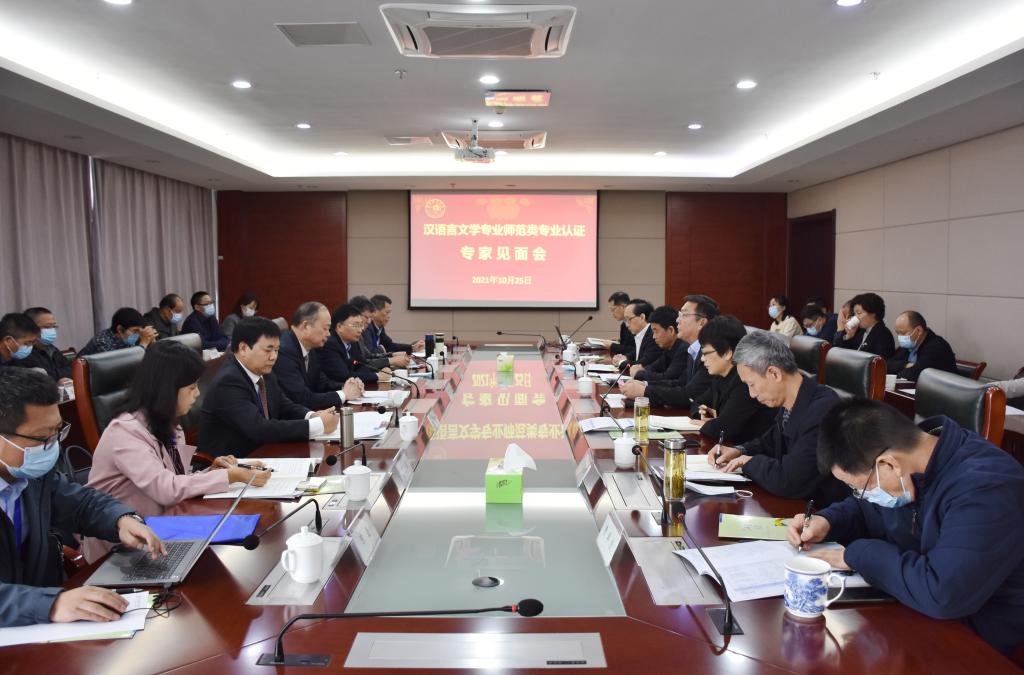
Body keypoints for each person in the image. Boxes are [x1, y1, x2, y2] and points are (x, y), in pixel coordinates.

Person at [789, 399, 1024, 658]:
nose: (861, 495)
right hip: (915, 612)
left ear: (889, 464)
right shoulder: (914, 463)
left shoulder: (987, 488)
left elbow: (942, 594)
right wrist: (828, 520)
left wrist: (856, 555)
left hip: (977, 642)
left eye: (859, 488)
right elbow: (869, 509)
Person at [0, 368, 165, 627]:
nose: (53, 446)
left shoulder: (31, 475)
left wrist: (122, 520)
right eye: (42, 438)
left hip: (40, 625)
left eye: (57, 431)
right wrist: (49, 604)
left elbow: (80, 504)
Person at [84, 340, 270, 561]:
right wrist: (229, 476)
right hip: (120, 549)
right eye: (191, 388)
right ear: (167, 390)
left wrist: (211, 472)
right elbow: (166, 489)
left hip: (162, 530)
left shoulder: (170, 425)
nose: (197, 394)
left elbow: (176, 479)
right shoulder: (124, 432)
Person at [708, 330, 848, 506]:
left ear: (774, 373)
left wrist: (748, 462)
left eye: (751, 384)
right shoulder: (793, 401)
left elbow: (790, 480)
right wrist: (739, 451)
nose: (751, 394)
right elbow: (769, 442)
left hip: (819, 511)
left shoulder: (823, 410)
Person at [197, 318, 340, 457]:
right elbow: (259, 428)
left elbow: (283, 405)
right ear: (243, 348)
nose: (273, 357)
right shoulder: (228, 382)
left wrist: (312, 416)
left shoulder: (264, 371)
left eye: (277, 350)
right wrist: (317, 425)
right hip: (232, 462)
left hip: (263, 452)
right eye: (268, 350)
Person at [689, 316, 775, 444]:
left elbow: (723, 429)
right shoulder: (720, 376)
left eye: (706, 353)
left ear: (727, 353)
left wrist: (709, 425)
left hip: (750, 450)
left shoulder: (745, 382)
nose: (702, 359)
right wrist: (701, 413)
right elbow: (698, 401)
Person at [623, 294, 717, 408]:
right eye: (679, 315)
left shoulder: (712, 354)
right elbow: (681, 383)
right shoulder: (693, 349)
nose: (677, 320)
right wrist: (645, 384)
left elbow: (689, 395)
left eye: (684, 315)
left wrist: (645, 391)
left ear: (701, 323)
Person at [272, 301, 364, 409]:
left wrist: (348, 386)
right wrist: (344, 394)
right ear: (306, 326)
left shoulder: (309, 347)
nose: (328, 334)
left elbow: (321, 383)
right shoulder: (284, 352)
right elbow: (301, 398)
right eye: (325, 328)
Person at [886, 311, 957, 382]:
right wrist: (905, 364)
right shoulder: (908, 345)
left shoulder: (936, 347)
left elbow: (914, 376)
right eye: (898, 333)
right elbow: (888, 365)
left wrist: (896, 371)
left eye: (903, 333)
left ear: (919, 330)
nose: (900, 337)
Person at [321, 304, 383, 384]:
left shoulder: (352, 342)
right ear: (339, 327)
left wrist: (359, 374)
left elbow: (363, 365)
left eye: (361, 325)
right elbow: (343, 376)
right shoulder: (329, 344)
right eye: (356, 325)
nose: (360, 330)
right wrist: (377, 376)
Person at [630, 305, 687, 383]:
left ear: (671, 330)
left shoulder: (683, 349)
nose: (653, 337)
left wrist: (639, 373)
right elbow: (654, 367)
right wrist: (642, 369)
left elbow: (667, 377)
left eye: (656, 331)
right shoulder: (668, 347)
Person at [349, 295, 405, 370]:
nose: (369, 322)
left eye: (370, 318)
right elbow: (360, 365)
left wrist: (392, 355)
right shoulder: (348, 338)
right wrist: (390, 361)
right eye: (366, 317)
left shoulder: (359, 336)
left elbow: (368, 356)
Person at [835, 292, 895, 359]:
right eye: (854, 314)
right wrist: (848, 336)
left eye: (859, 313)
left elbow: (880, 362)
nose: (855, 317)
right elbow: (841, 353)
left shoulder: (883, 334)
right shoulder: (860, 331)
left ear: (873, 313)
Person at [78, 307, 156, 357]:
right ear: (120, 329)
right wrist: (143, 344)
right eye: (135, 331)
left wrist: (152, 343)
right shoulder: (103, 342)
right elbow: (122, 367)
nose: (138, 334)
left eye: (140, 331)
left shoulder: (129, 338)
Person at [611, 299, 659, 368]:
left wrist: (621, 362)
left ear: (642, 317)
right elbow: (637, 352)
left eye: (629, 319)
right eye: (625, 320)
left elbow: (643, 364)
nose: (627, 325)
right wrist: (625, 357)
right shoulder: (643, 333)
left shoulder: (653, 335)